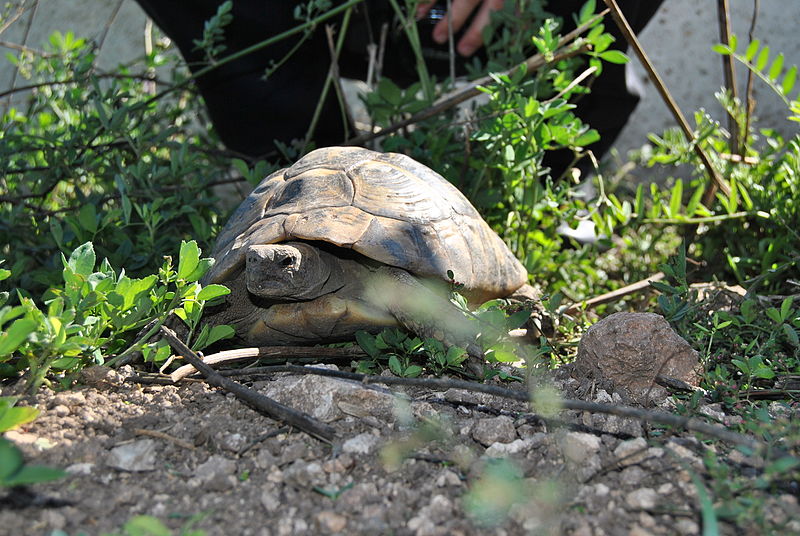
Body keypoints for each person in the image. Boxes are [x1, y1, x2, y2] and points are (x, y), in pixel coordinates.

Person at [133, 0, 663, 175]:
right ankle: (292, 185)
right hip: (318, 19)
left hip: (518, 20)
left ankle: (550, 184)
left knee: (584, 30)